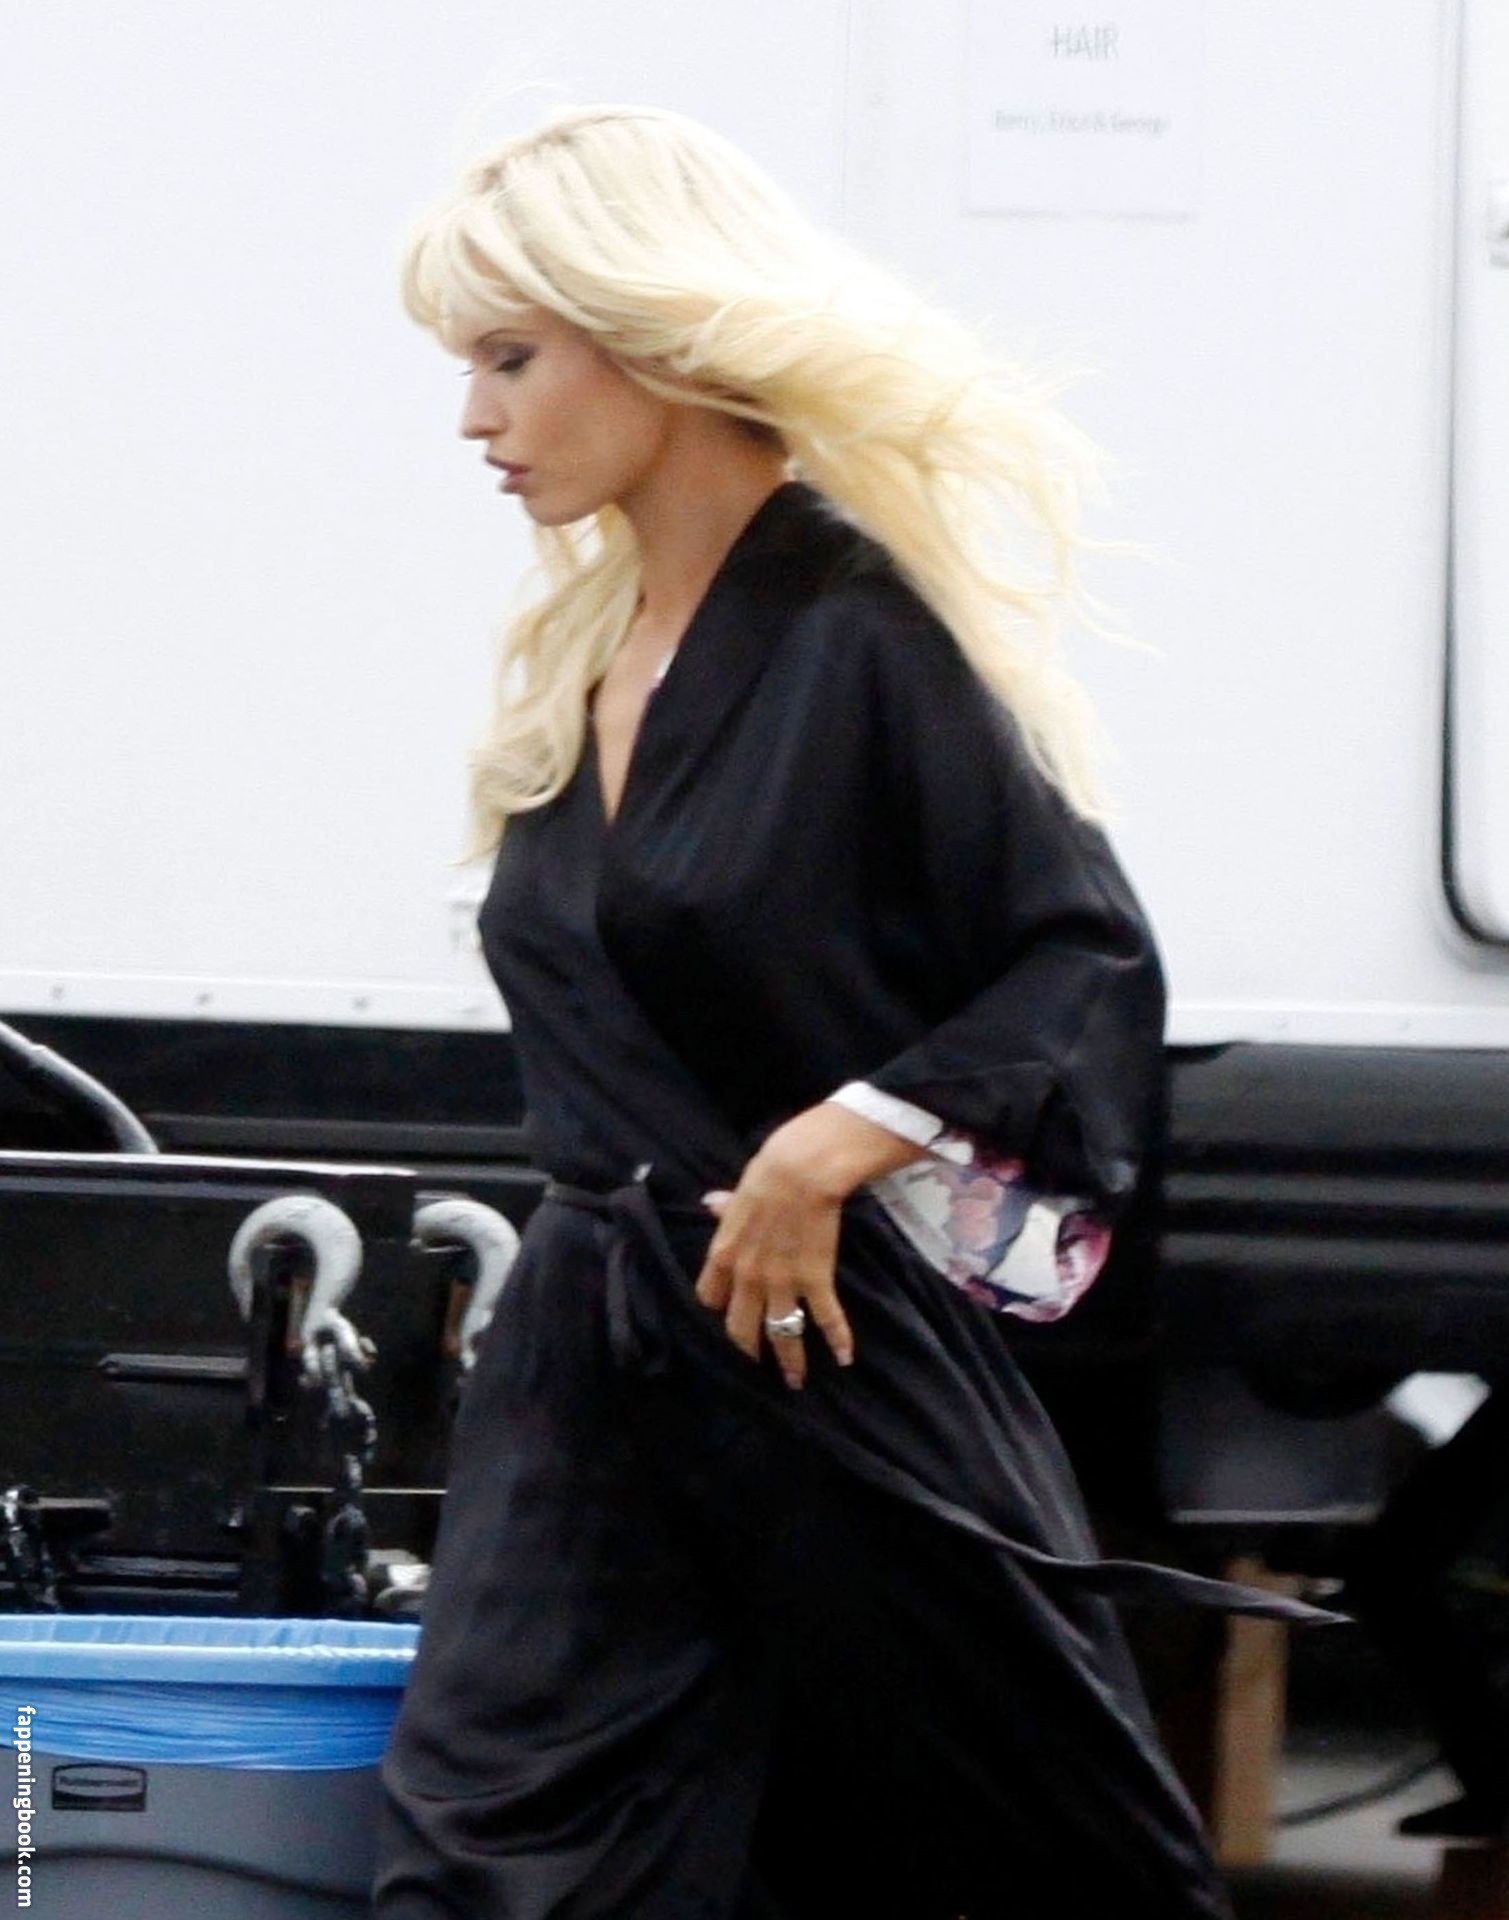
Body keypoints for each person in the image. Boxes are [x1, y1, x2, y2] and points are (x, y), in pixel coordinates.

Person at [372, 102, 1308, 1919]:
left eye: (510, 358)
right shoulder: (584, 653)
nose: (473, 418)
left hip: (820, 1345)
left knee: (1021, 1846)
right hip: (588, 1354)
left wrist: (840, 1137)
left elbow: (1080, 957)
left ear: (649, 333)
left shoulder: (856, 631)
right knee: (489, 1852)